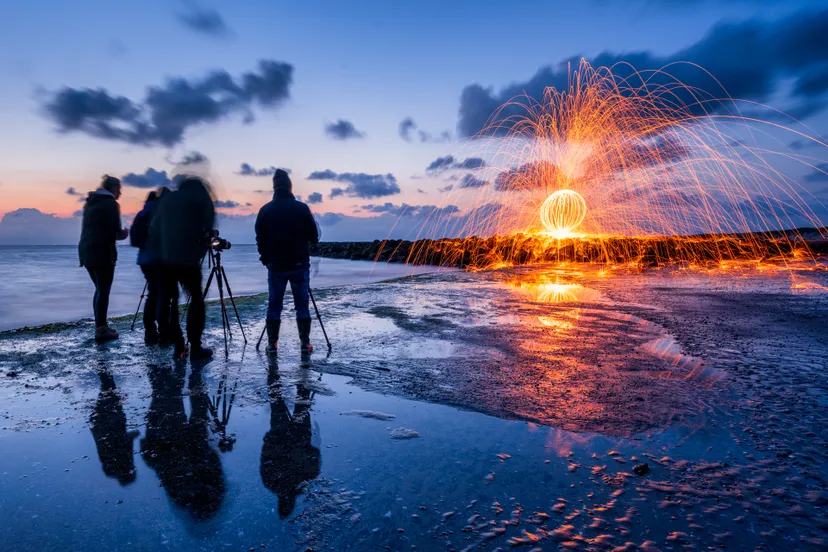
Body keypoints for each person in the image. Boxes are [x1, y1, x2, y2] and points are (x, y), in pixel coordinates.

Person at [148, 177, 215, 360]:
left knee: (169, 300)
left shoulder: (167, 200)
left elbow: (153, 229)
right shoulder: (200, 201)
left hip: (163, 259)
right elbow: (207, 230)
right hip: (187, 259)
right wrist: (201, 248)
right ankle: (195, 347)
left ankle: (178, 345)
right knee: (196, 300)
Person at [255, 169, 320, 355]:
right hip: (299, 264)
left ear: (274, 187)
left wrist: (265, 259)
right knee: (302, 305)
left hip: (275, 266)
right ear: (290, 186)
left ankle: (272, 344)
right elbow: (314, 237)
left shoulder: (265, 210)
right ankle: (305, 343)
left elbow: (260, 239)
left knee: (274, 304)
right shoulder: (301, 208)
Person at [260, 358, 320, 518]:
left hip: (285, 436)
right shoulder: (274, 483)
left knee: (282, 402)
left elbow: (315, 456)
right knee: (289, 401)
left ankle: (277, 369)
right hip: (288, 436)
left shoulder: (276, 482)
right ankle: (302, 362)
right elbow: (315, 456)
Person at [78, 175, 129, 342]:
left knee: (99, 289)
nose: (120, 191)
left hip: (86, 251)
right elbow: (115, 231)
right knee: (104, 290)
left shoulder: (90, 203)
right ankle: (101, 329)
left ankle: (100, 325)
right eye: (119, 188)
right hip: (102, 252)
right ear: (113, 187)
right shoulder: (110, 204)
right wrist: (124, 234)